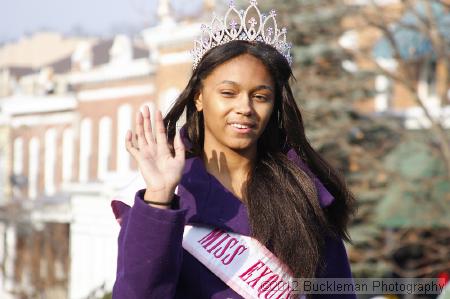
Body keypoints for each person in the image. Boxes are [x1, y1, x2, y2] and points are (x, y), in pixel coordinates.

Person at [110, 1, 357, 298]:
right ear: (199, 97)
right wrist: (160, 199)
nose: (245, 108)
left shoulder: (302, 191)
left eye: (261, 96)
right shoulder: (164, 193)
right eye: (228, 93)